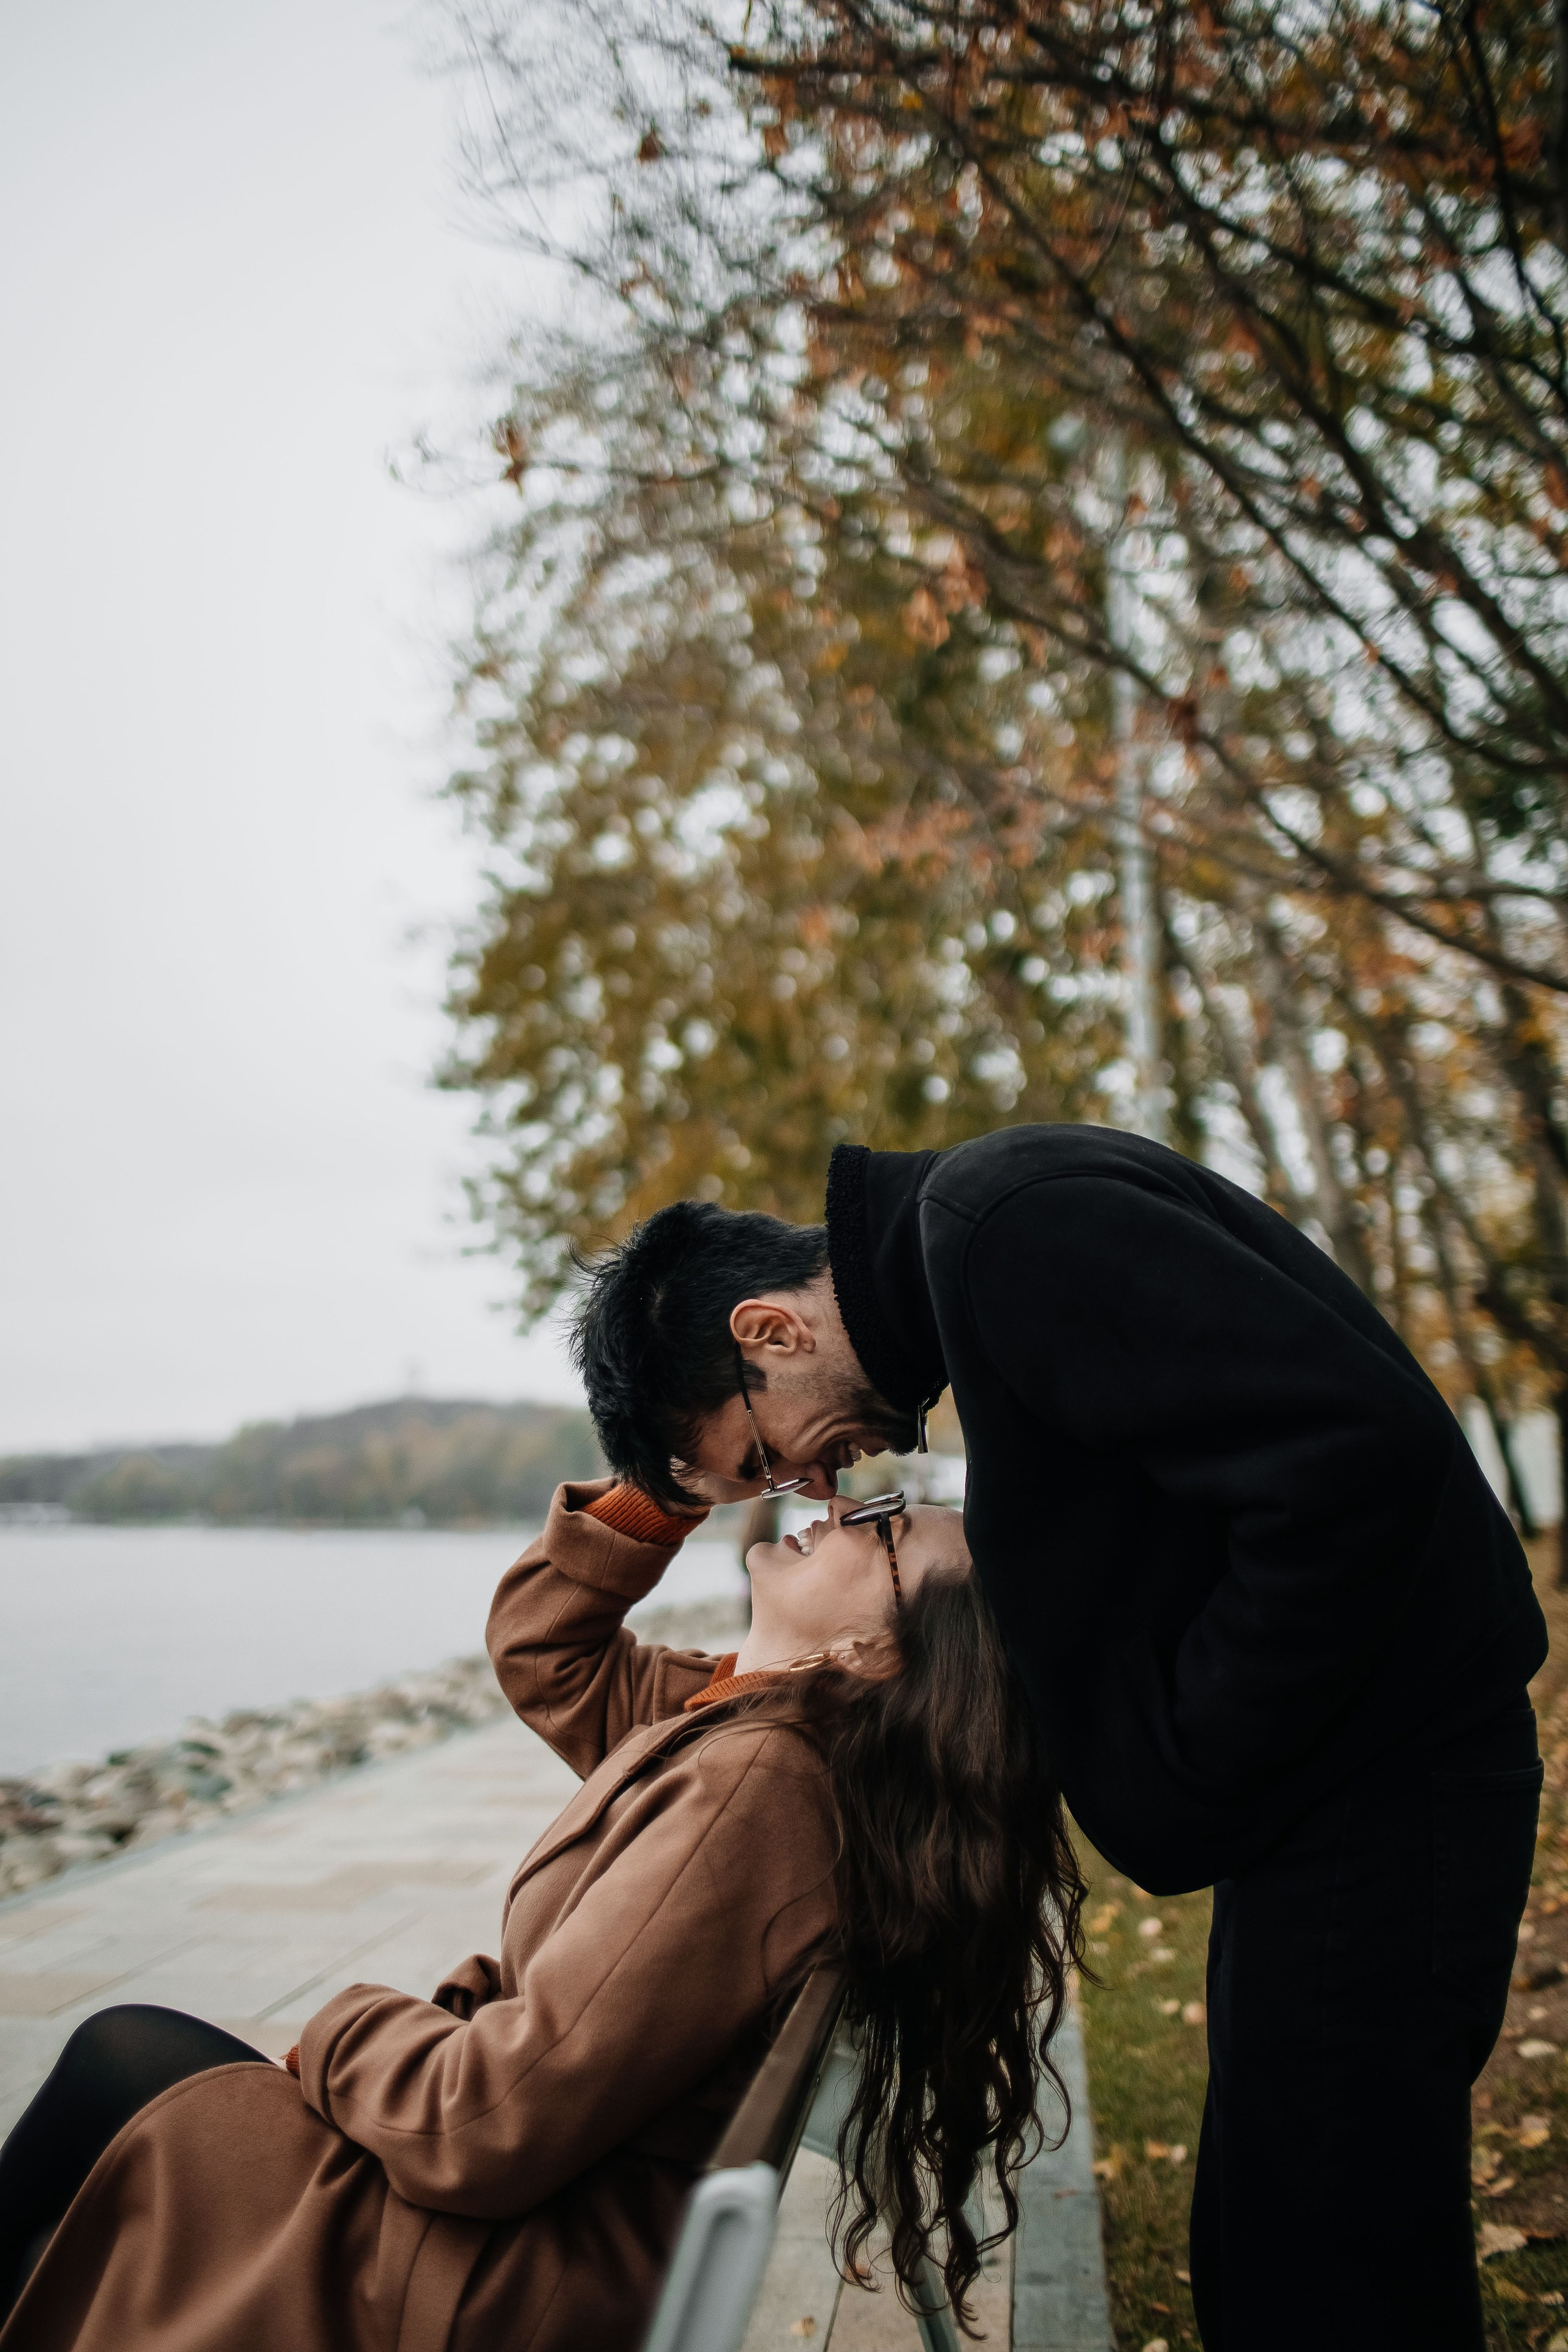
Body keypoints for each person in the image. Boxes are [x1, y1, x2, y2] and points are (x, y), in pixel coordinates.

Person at [570, 1126, 1549, 2351]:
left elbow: (1356, 1469)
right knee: (1273, 2242)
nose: (814, 1488)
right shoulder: (986, 1251)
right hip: (1340, 1779)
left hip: (1385, 1779)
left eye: (765, 1456)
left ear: (771, 1332)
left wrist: (1192, 1757)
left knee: (1329, 2259)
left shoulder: (1008, 1234)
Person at [0, 1475, 1084, 2352]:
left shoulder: (763, 1781)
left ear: (874, 1652)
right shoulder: (752, 1715)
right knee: (126, 2082)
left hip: (496, 2270)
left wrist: (340, 2029)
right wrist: (680, 1472)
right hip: (540, 2215)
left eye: (888, 1527)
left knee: (119, 2058)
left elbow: (486, 2122)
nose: (847, 1503)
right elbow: (549, 1653)